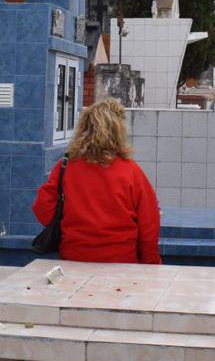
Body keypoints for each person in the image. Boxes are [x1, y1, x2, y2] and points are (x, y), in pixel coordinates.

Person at [32, 98, 161, 264]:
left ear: (84, 128)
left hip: (74, 258)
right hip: (121, 263)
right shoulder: (131, 171)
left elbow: (42, 209)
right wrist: (151, 265)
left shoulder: (65, 166)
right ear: (118, 131)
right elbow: (149, 226)